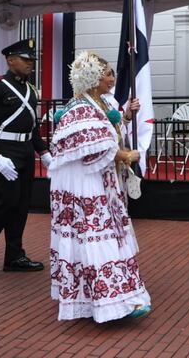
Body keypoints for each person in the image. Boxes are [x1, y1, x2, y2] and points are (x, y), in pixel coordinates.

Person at [49, 51, 151, 322]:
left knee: (104, 238)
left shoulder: (99, 103)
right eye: (107, 75)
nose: (112, 79)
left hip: (100, 182)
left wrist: (126, 118)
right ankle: (110, 303)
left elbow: (110, 132)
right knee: (97, 237)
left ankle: (115, 298)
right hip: (86, 186)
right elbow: (94, 147)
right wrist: (126, 155)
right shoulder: (80, 108)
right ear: (93, 79)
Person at [0, 39, 52, 278]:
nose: (30, 64)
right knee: (6, 201)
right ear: (11, 60)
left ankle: (14, 256)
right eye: (25, 60)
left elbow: (32, 127)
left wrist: (44, 153)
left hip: (25, 150)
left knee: (22, 204)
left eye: (32, 60)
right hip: (4, 151)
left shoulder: (31, 90)